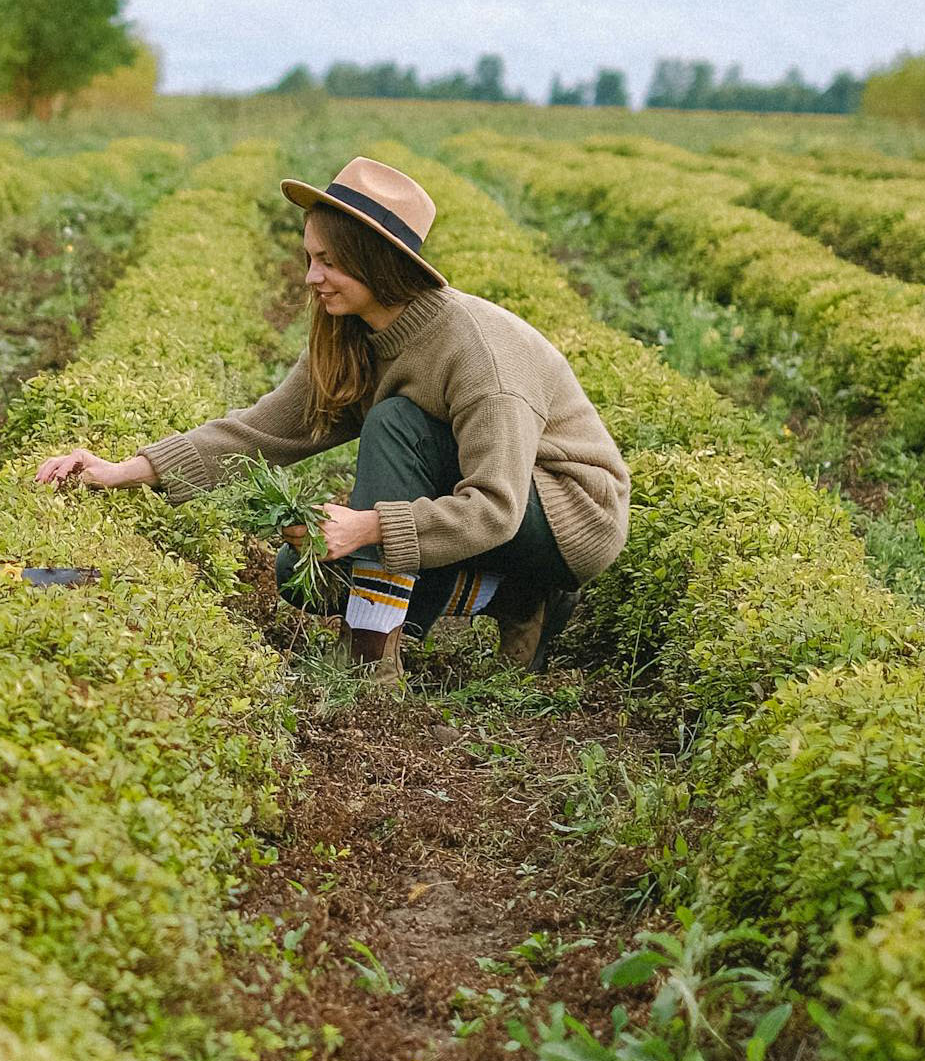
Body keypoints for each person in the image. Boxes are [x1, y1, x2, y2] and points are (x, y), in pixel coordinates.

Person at [35, 155, 630, 689]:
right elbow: (263, 430)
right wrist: (122, 471)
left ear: (379, 264)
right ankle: (520, 599)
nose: (310, 277)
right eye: (309, 258)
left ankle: (371, 656)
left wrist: (370, 526)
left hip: (563, 514)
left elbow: (496, 507)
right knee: (301, 573)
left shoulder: (478, 356)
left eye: (328, 262)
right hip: (491, 511)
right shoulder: (355, 333)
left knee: (394, 423)